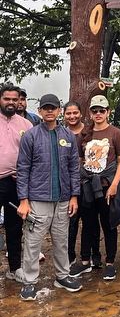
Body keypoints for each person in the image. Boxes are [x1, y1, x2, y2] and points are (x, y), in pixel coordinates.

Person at [16, 94, 81, 300]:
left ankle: (62, 276)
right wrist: (23, 200)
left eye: (53, 107)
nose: (50, 111)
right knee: (33, 242)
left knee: (61, 240)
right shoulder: (31, 136)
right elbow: (23, 168)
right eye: (46, 108)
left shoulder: (68, 136)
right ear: (41, 111)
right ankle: (29, 281)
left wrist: (74, 196)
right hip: (38, 199)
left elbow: (74, 168)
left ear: (59, 110)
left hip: (62, 199)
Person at [70, 95, 120, 281]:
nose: (98, 114)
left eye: (102, 110)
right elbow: (78, 160)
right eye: (95, 110)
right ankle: (85, 260)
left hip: (106, 185)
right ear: (90, 113)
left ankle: (110, 262)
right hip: (87, 186)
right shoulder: (85, 134)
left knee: (108, 225)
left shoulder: (115, 133)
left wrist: (115, 184)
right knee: (88, 224)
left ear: (108, 111)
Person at [0, 84, 32, 282]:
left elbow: (32, 154)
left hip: (16, 182)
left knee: (14, 226)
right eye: (7, 99)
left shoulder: (26, 125)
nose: (11, 102)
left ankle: (14, 268)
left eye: (15, 99)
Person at [63, 101, 101, 267]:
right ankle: (69, 257)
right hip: (67, 185)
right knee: (70, 224)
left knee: (91, 221)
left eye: (75, 113)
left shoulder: (90, 132)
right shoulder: (61, 133)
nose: (72, 116)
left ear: (81, 113)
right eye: (68, 113)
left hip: (88, 184)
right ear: (63, 115)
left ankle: (93, 254)